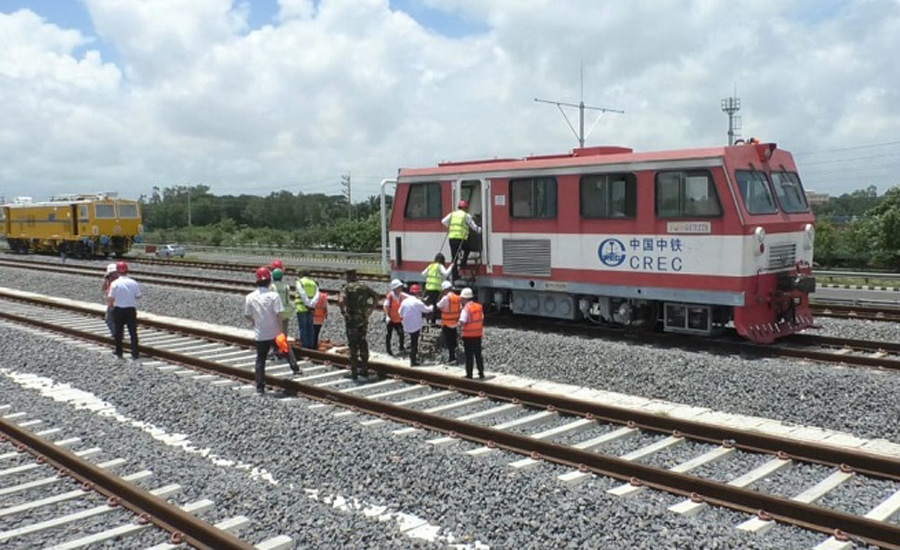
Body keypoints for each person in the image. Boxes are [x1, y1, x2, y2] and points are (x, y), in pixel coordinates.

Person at [244, 267, 299, 395]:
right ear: (269, 281)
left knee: (260, 360)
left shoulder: (250, 297)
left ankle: (259, 388)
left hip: (260, 334)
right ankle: (295, 368)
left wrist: (255, 321)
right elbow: (279, 314)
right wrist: (280, 331)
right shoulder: (274, 296)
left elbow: (247, 314)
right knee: (285, 349)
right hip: (274, 332)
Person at [338, 269, 383, 380]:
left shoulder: (346, 288)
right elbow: (376, 296)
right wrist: (370, 310)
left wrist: (344, 311)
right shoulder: (364, 287)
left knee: (353, 344)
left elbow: (340, 300)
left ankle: (354, 372)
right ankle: (364, 369)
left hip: (352, 320)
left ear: (348, 277)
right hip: (363, 319)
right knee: (362, 341)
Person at [107, 261, 141, 361]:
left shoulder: (114, 283)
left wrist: (111, 306)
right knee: (133, 332)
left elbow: (110, 297)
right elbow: (138, 296)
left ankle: (119, 352)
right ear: (127, 271)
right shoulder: (133, 282)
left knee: (118, 332)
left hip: (118, 309)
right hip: (130, 309)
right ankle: (135, 353)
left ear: (117, 271)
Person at [441, 200, 481, 281]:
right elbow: (473, 226)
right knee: (467, 249)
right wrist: (480, 230)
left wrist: (450, 226)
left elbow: (443, 221)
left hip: (452, 238)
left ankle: (455, 275)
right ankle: (463, 263)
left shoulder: (452, 214)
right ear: (465, 208)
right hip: (461, 238)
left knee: (454, 257)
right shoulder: (466, 215)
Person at [399, 284, 433, 367]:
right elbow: (427, 310)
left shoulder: (404, 301)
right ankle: (413, 361)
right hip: (415, 326)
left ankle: (411, 356)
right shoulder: (417, 302)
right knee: (414, 343)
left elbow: (400, 312)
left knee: (412, 341)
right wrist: (432, 306)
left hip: (406, 325)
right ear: (417, 293)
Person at [458, 287, 484, 379]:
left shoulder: (466, 309)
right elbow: (482, 318)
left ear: (465, 298)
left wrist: (459, 326)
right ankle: (481, 373)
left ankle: (469, 375)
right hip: (478, 335)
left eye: (461, 298)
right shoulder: (478, 307)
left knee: (469, 356)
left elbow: (462, 322)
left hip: (468, 336)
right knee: (478, 355)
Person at [421, 253, 450, 323]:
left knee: (429, 303)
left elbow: (423, 274)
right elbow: (445, 273)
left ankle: (428, 318)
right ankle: (433, 320)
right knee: (435, 304)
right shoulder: (440, 266)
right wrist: (451, 267)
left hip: (428, 288)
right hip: (436, 289)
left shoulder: (430, 266)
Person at [436, 281, 460, 365]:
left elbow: (438, 305)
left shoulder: (446, 298)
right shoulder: (457, 297)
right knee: (453, 339)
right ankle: (455, 355)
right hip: (455, 322)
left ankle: (452, 358)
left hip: (447, 323)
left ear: (445, 290)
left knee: (449, 341)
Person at [295, 269, 320, 350]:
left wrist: (307, 304)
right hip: (311, 308)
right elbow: (317, 295)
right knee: (310, 328)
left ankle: (305, 347)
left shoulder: (300, 282)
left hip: (302, 308)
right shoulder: (313, 283)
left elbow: (302, 294)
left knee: (303, 328)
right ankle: (311, 346)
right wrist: (312, 304)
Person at [383, 279, 407, 356]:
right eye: (399, 287)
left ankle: (401, 348)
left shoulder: (401, 296)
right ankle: (388, 349)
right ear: (395, 288)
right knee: (388, 334)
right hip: (391, 319)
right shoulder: (390, 296)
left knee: (401, 333)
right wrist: (387, 316)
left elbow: (409, 298)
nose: (400, 288)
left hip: (398, 319)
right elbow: (385, 306)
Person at [270, 268, 292, 336]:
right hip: (286, 310)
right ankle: (283, 344)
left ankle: (276, 344)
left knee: (275, 330)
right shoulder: (286, 286)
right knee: (284, 330)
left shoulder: (271, 286)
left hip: (275, 311)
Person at [101, 263, 119, 337]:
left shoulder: (118, 282)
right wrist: (106, 279)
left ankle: (116, 334)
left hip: (115, 304)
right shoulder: (109, 280)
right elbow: (103, 288)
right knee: (112, 320)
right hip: (111, 303)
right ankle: (117, 334)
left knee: (111, 320)